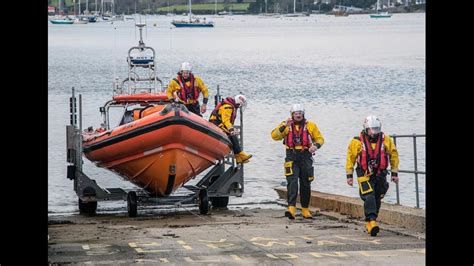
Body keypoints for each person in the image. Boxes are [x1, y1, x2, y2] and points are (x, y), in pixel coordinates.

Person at [345, 115, 399, 237]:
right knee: (369, 196)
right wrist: (349, 175)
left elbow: (394, 156)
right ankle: (373, 221)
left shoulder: (386, 140)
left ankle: (369, 222)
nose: (374, 132)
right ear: (366, 129)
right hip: (363, 174)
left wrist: (394, 173)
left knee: (377, 198)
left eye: (376, 129)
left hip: (380, 174)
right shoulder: (356, 142)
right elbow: (350, 158)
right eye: (372, 129)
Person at [271, 104, 324, 220]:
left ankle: (305, 209)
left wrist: (315, 146)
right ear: (292, 115)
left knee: (306, 183)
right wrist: (284, 126)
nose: (298, 115)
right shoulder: (286, 125)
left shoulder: (311, 125)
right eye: (295, 113)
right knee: (292, 182)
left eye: (300, 113)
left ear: (303, 114)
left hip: (306, 156)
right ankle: (291, 208)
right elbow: (274, 136)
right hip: (291, 156)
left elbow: (320, 139)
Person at [209, 94, 252, 164]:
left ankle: (238, 156)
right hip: (216, 124)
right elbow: (225, 120)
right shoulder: (228, 107)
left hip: (219, 124)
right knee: (232, 135)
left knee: (232, 135)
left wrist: (231, 129)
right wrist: (231, 130)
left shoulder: (231, 106)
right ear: (239, 103)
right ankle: (240, 154)